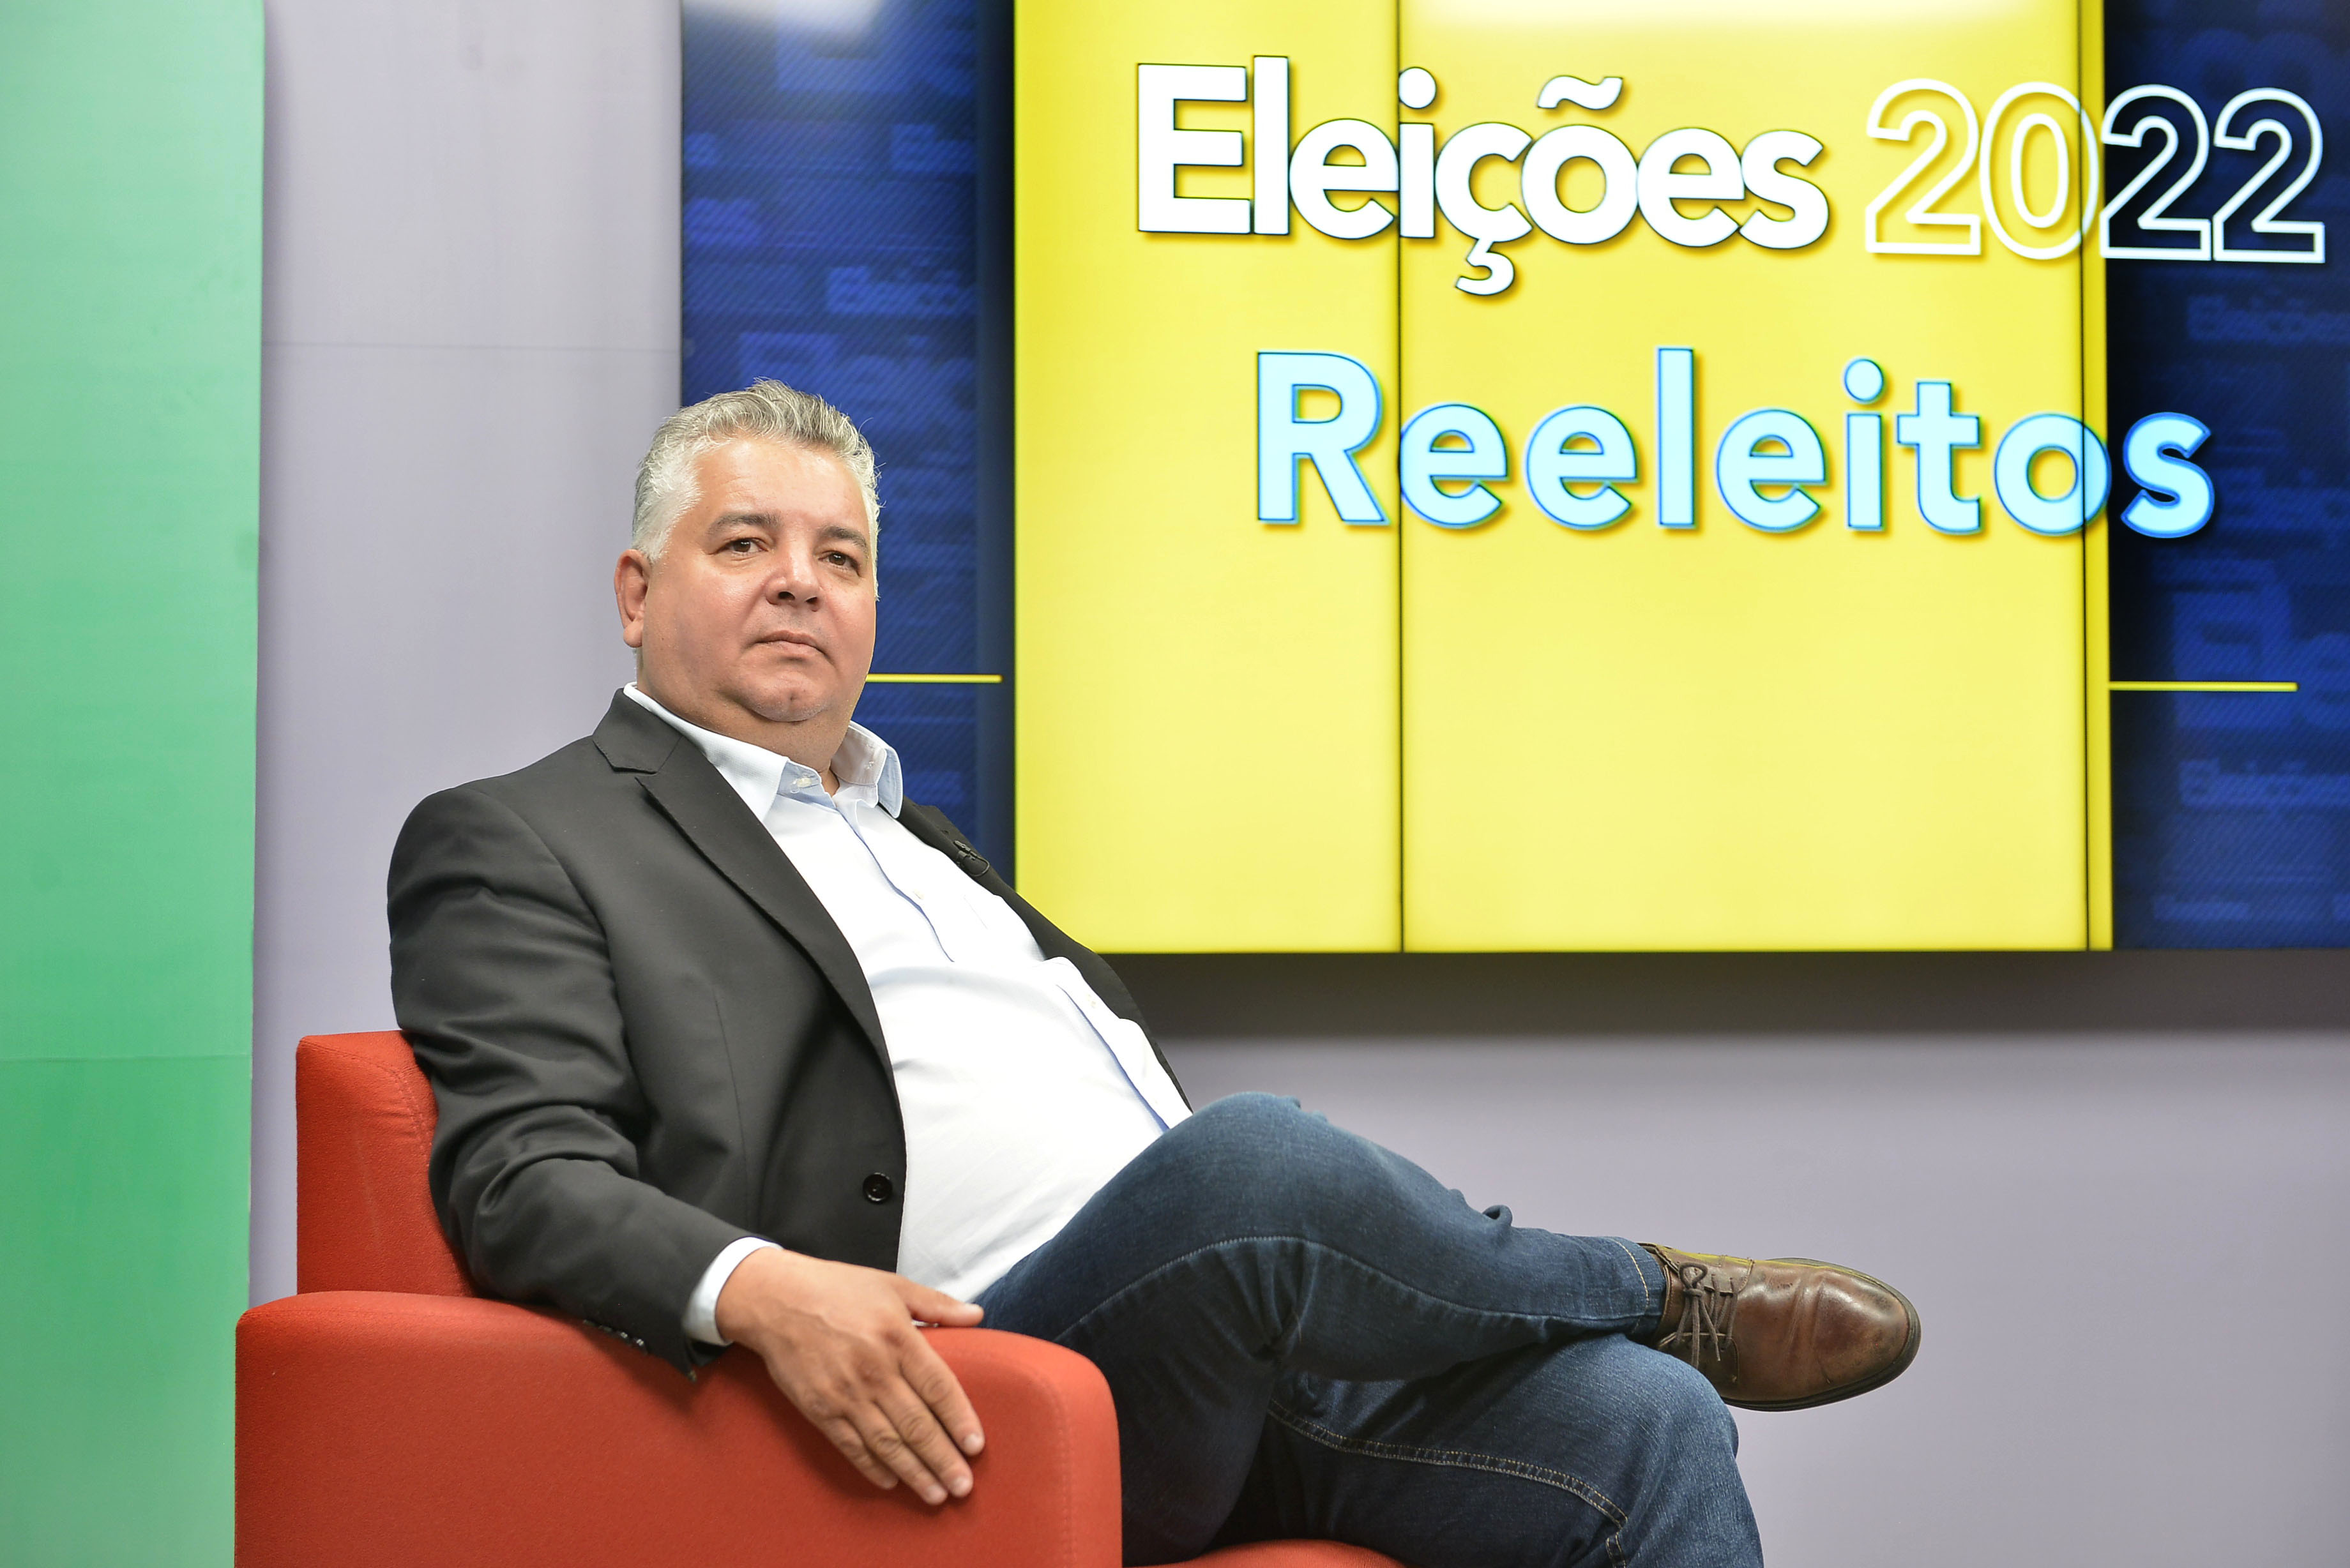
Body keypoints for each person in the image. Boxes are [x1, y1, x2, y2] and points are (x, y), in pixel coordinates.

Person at [388, 381, 1919, 1568]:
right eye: (746, 545)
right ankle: (1654, 1291)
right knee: (1253, 1164)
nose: (799, 583)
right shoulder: (524, 835)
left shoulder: (915, 836)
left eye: (838, 557)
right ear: (636, 591)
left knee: (1643, 1424)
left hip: (1217, 1364)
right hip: (981, 1391)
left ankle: (1651, 1346)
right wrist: (764, 1287)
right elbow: (520, 1172)